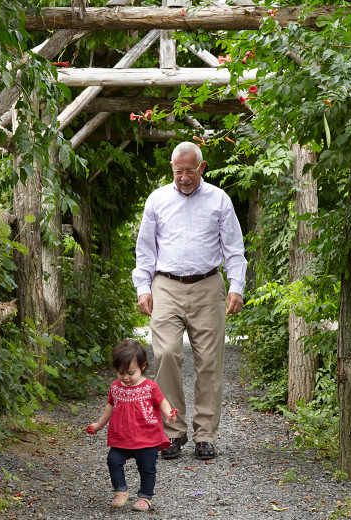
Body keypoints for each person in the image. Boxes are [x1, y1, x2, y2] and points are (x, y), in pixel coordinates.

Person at [132, 141, 246, 461]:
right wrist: (143, 288)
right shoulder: (157, 200)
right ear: (172, 168)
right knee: (166, 353)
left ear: (202, 167)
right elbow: (145, 250)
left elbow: (234, 249)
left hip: (208, 286)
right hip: (166, 286)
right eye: (178, 170)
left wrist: (236, 287)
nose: (184, 177)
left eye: (190, 170)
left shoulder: (219, 200)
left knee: (209, 362)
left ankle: (205, 435)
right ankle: (173, 431)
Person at [86, 339, 178, 512]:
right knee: (113, 460)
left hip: (147, 437)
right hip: (122, 437)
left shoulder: (149, 386)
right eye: (120, 373)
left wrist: (168, 414)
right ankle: (121, 491)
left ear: (143, 366)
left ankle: (145, 497)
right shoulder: (115, 387)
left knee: (147, 469)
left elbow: (162, 401)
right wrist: (99, 425)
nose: (125, 377)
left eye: (130, 372)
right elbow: (110, 407)